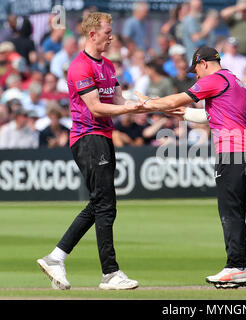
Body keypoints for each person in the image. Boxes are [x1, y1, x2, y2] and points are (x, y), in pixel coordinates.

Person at [135, 46, 246, 289]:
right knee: (237, 211)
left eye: (196, 70)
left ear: (203, 63)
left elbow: (175, 98)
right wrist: (187, 115)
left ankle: (236, 266)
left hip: (233, 149)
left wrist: (147, 103)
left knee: (229, 210)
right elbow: (221, 114)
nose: (196, 76)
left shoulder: (214, 79)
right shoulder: (234, 79)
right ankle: (240, 266)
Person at [36, 12, 143, 290]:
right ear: (92, 34)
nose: (112, 37)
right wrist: (127, 108)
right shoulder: (80, 66)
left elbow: (119, 98)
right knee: (105, 205)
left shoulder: (108, 65)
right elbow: (96, 108)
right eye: (107, 32)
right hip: (88, 137)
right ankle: (110, 273)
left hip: (102, 136)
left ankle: (56, 257)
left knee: (99, 203)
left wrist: (146, 103)